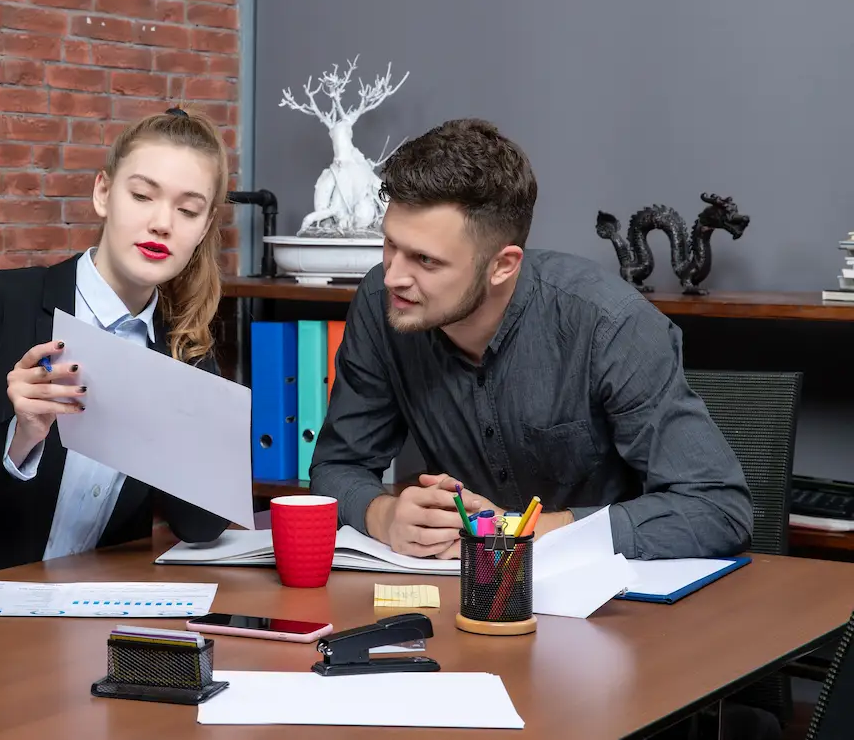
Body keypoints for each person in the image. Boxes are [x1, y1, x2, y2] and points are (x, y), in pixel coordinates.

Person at [309, 118, 754, 563]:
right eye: (390, 244)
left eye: (425, 259)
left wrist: (524, 531)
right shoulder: (381, 302)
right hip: (459, 598)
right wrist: (382, 515)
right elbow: (336, 467)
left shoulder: (610, 324)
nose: (393, 275)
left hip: (610, 606)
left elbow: (717, 509)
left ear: (502, 265)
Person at [0, 107, 231, 574]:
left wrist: (177, 405)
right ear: (103, 192)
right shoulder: (1, 303)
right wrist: (19, 437)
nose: (163, 223)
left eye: (188, 210)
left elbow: (200, 525)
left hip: (99, 613)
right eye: (142, 195)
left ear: (203, 228)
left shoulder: (183, 344)